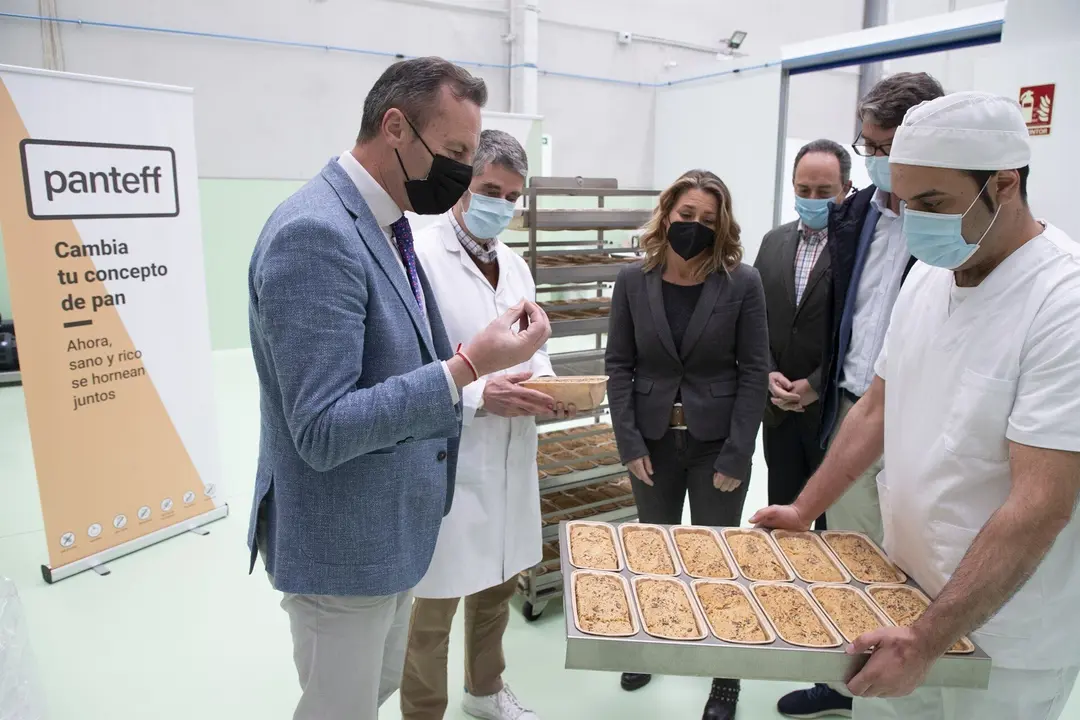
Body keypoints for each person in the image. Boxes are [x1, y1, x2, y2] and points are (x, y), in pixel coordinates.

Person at [754, 91, 1080, 720]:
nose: (912, 218)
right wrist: (803, 508)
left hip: (1002, 633)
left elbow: (1041, 504)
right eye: (903, 201)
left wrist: (930, 637)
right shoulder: (930, 276)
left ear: (1005, 186)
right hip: (900, 596)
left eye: (933, 204)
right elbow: (876, 407)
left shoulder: (1060, 303)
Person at [246, 58, 551, 720]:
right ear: (395, 127)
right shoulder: (316, 233)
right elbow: (322, 429)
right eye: (455, 154)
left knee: (372, 688)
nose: (464, 177)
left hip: (391, 525)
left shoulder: (384, 226)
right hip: (342, 543)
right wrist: (469, 368)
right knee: (340, 706)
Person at [776, 72, 945, 720]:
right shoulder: (858, 216)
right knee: (848, 552)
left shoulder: (947, 232)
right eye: (868, 143)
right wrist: (820, 386)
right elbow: (846, 321)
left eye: (886, 144)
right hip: (853, 406)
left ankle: (903, 679)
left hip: (920, 419)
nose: (875, 156)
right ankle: (843, 683)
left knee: (907, 560)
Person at [402, 129, 569, 720]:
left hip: (509, 453)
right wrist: (477, 395)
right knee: (433, 605)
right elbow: (408, 364)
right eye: (490, 189)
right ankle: (423, 710)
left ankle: (484, 692)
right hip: (450, 456)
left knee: (497, 584)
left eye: (512, 195)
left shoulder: (517, 269)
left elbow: (533, 346)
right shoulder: (420, 256)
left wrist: (545, 383)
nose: (501, 203)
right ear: (463, 186)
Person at [605, 169, 770, 720]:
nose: (694, 227)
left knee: (718, 559)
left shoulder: (741, 283)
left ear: (721, 226)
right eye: (686, 216)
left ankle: (726, 677)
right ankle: (650, 642)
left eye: (707, 220)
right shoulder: (634, 280)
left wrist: (738, 452)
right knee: (652, 553)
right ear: (666, 215)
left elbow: (754, 372)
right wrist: (629, 444)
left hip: (715, 445)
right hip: (651, 441)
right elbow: (619, 365)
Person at [754, 139, 852, 528]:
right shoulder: (773, 242)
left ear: (845, 190)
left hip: (832, 414)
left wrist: (815, 384)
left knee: (831, 526)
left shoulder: (857, 250)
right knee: (780, 516)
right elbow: (756, 319)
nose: (812, 199)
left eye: (824, 192)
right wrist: (767, 371)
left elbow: (859, 331)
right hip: (778, 413)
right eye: (803, 190)